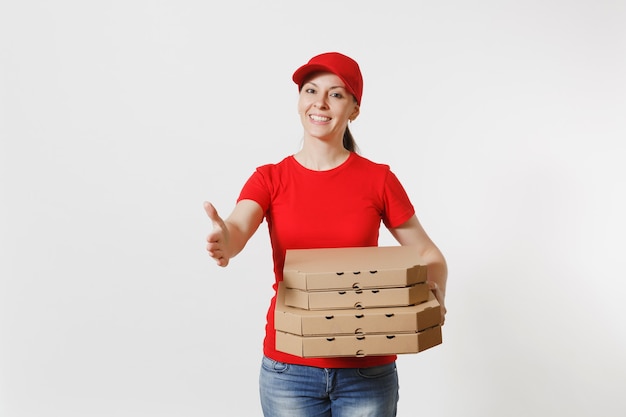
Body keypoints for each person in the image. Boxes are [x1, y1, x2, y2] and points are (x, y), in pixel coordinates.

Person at [203, 51, 447, 417]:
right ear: (299, 101)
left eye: (336, 94)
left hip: (367, 368)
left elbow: (428, 254)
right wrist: (226, 239)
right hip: (289, 368)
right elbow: (238, 227)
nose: (319, 102)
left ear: (354, 109)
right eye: (310, 90)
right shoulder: (269, 178)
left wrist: (433, 299)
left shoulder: (377, 179)